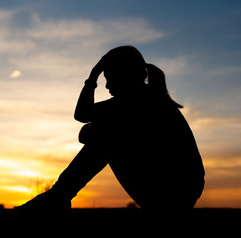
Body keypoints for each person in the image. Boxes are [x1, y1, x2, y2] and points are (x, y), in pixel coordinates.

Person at [14, 46, 205, 213]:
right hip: (174, 191)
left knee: (106, 137)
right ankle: (58, 196)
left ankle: (58, 196)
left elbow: (82, 116)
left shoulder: (140, 101)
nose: (106, 85)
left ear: (125, 75)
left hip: (171, 194)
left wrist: (93, 76)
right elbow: (86, 120)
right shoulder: (141, 99)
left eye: (109, 78)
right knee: (106, 135)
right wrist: (94, 132)